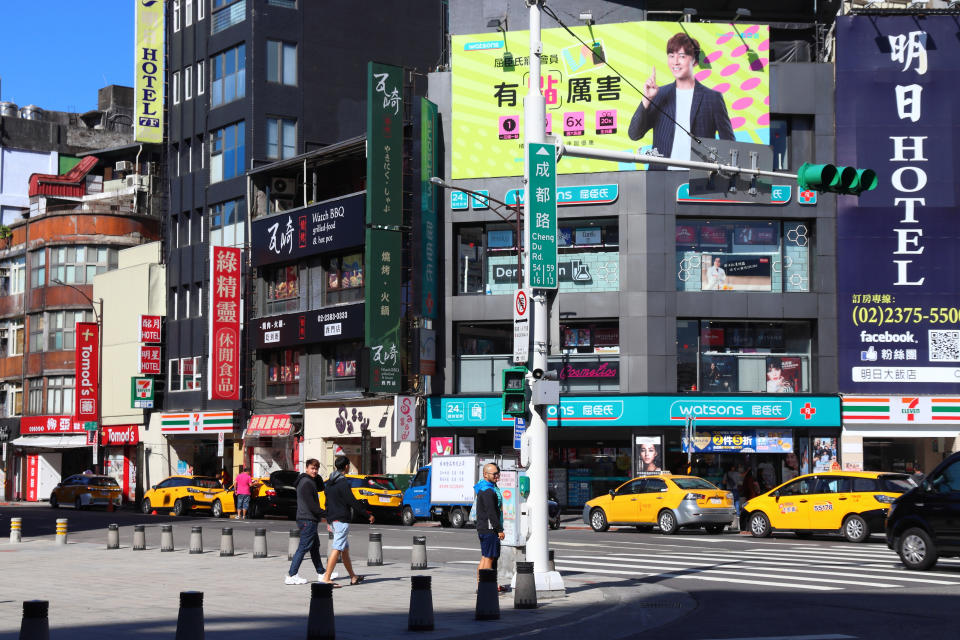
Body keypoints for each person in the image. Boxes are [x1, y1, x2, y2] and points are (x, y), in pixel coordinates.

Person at [628, 32, 734, 169]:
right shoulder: (659, 95)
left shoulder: (713, 98)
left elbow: (730, 145)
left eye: (682, 56)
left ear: (694, 61)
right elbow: (634, 134)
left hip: (700, 178)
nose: (675, 62)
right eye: (671, 56)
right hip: (661, 176)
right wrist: (646, 100)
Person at [319, 456, 373, 587]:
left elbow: (327, 503)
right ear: (347, 466)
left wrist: (328, 520)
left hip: (333, 519)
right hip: (341, 520)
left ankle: (353, 577)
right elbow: (352, 501)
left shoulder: (330, 482)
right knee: (337, 548)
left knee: (344, 550)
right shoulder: (343, 483)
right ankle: (326, 577)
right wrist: (367, 515)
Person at [285, 459, 327, 585]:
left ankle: (321, 573)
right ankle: (292, 575)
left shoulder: (307, 481)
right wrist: (325, 514)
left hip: (307, 518)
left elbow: (321, 486)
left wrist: (316, 476)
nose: (314, 471)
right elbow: (312, 505)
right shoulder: (307, 483)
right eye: (312, 468)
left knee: (314, 547)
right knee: (303, 548)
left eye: (316, 469)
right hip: (308, 519)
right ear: (306, 468)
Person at [475, 463, 506, 591]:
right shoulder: (488, 491)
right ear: (485, 474)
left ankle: (481, 585)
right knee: (489, 558)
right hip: (489, 529)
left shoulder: (483, 487)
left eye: (498, 473)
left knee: (485, 557)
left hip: (483, 527)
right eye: (494, 474)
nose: (497, 476)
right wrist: (499, 529)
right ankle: (486, 586)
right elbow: (491, 512)